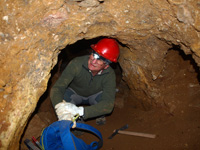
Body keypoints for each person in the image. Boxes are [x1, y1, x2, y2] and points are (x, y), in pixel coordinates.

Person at [50, 38, 120, 125]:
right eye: (94, 54)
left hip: (95, 96)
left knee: (104, 104)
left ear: (106, 66)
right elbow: (58, 88)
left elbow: (108, 105)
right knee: (63, 98)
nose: (94, 61)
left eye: (100, 59)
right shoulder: (77, 64)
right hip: (75, 93)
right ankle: (76, 119)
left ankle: (96, 113)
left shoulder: (109, 74)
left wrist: (81, 111)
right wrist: (60, 107)